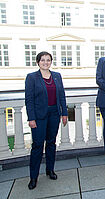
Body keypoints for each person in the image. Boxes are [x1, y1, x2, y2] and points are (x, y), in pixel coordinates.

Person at [25, 51, 68, 190]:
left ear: (51, 62)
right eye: (42, 60)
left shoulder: (57, 76)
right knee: (37, 146)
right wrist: (31, 118)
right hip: (39, 117)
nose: (45, 62)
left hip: (54, 114)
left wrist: (64, 113)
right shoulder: (32, 78)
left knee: (51, 143)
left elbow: (61, 96)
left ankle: (50, 170)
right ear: (38, 62)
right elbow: (29, 100)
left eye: (48, 60)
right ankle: (33, 177)